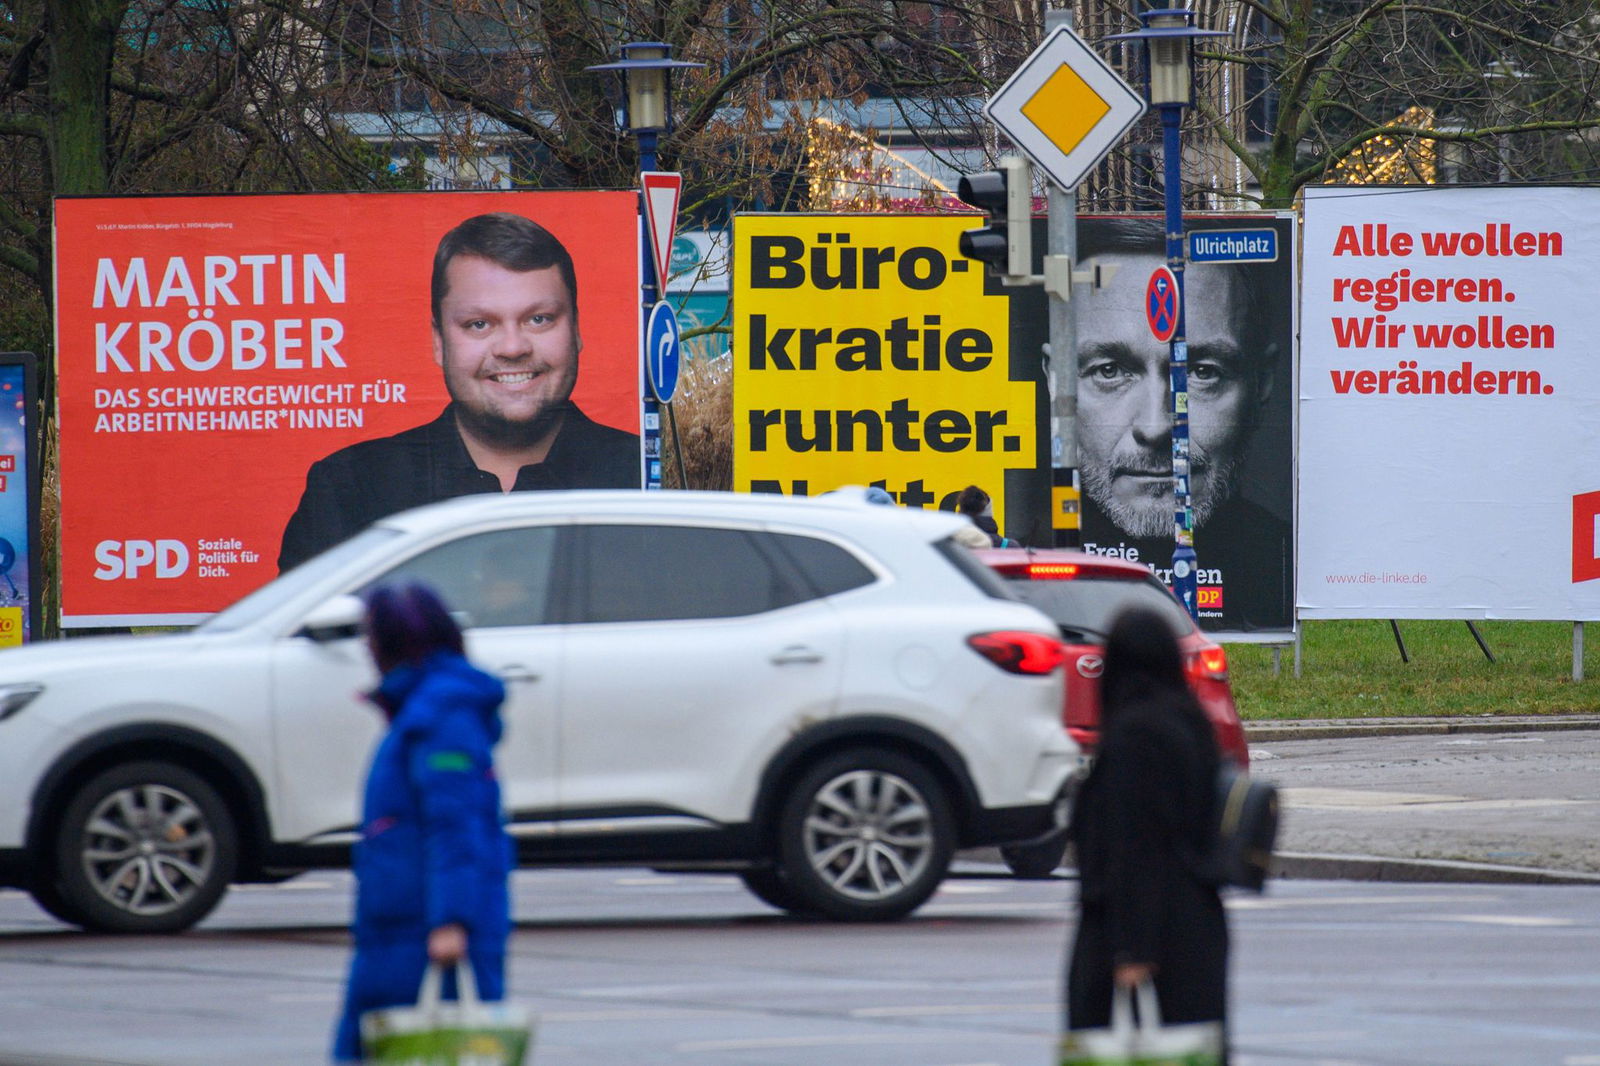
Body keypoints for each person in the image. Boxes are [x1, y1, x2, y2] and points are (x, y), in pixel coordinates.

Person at [281, 212, 641, 571]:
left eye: (539, 319)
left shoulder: (643, 478)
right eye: (479, 324)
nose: (513, 348)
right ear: (439, 341)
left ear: (576, 329)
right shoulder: (352, 488)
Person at [1075, 219, 1290, 630]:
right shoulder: (1016, 574)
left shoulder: (1290, 559)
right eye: (1109, 370)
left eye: (1202, 372)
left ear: (1262, 383)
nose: (1156, 427)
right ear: (1056, 379)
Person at [331, 582, 513, 1062]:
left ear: (395, 642)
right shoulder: (424, 710)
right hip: (398, 925)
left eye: (370, 634)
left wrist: (451, 921)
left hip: (421, 932)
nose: (364, 646)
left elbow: (455, 823)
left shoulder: (442, 717)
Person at [1064, 606, 1228, 1059]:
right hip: (1196, 923)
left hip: (1136, 926)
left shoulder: (1134, 735)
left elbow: (1136, 842)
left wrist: (1133, 947)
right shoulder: (1191, 724)